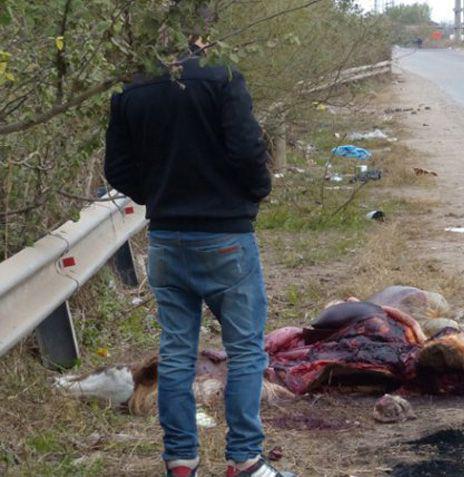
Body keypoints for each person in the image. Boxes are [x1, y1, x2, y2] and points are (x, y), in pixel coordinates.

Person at [104, 38, 295, 477]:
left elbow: (117, 168)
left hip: (167, 239)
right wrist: (254, 192)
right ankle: (245, 460)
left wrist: (158, 195)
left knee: (175, 354)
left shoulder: (130, 87)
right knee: (245, 351)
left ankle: (180, 462)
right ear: (200, 32)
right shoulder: (221, 75)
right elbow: (248, 150)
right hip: (225, 236)